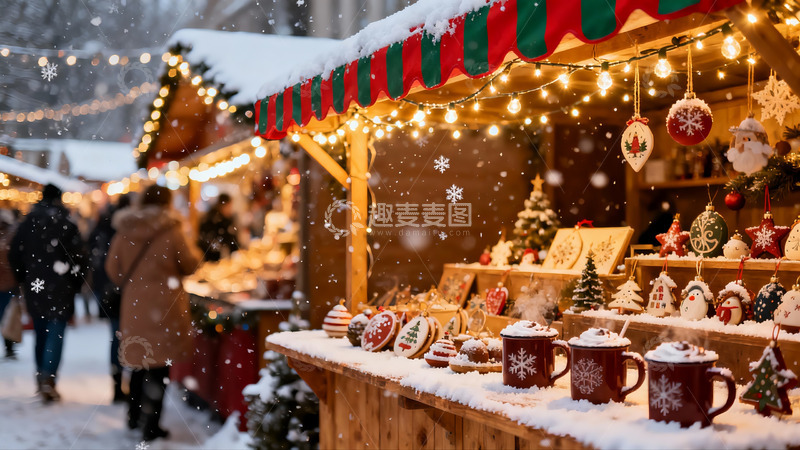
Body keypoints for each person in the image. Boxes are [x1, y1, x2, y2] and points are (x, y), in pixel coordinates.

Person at [106, 185, 202, 442]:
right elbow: (189, 264)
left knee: (139, 362)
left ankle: (134, 415)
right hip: (165, 306)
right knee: (159, 367)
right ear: (167, 203)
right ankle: (151, 424)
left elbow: (113, 268)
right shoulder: (172, 229)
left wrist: (135, 284)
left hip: (135, 306)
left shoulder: (125, 229)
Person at [8, 184, 86, 403]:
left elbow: (15, 254)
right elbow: (79, 257)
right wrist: (75, 282)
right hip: (61, 284)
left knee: (41, 330)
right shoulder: (67, 223)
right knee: (56, 330)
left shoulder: (28, 222)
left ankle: (41, 375)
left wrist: (23, 278)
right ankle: (48, 376)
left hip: (36, 284)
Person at [88, 194, 132, 403]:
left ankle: (117, 382)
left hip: (107, 288)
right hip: (125, 290)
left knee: (116, 336)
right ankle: (128, 382)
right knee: (128, 336)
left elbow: (92, 252)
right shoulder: (127, 230)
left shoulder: (103, 225)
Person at [197, 193, 239, 261]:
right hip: (211, 259)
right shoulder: (213, 220)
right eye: (229, 206)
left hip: (214, 258)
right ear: (223, 205)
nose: (230, 209)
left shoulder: (224, 219)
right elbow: (208, 243)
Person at [0, 209, 19, 359]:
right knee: (8, 316)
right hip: (9, 282)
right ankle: (9, 346)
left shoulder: (12, 236)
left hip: (8, 283)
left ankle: (9, 346)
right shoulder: (12, 235)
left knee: (7, 315)